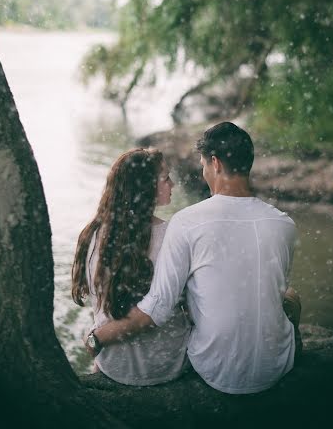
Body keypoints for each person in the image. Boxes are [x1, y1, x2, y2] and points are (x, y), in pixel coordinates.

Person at [87, 122, 301, 395]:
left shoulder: (187, 222)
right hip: (276, 365)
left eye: (203, 165)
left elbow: (158, 307)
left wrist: (99, 337)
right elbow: (275, 287)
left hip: (215, 369)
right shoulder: (284, 224)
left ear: (215, 164)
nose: (203, 173)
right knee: (290, 297)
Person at [72, 147, 191, 386]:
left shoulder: (92, 235)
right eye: (166, 178)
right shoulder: (171, 235)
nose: (173, 184)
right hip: (167, 363)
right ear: (145, 189)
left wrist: (98, 340)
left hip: (114, 364)